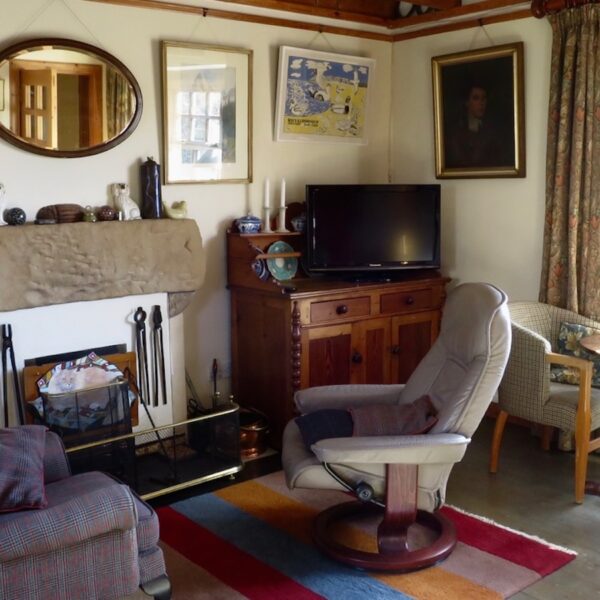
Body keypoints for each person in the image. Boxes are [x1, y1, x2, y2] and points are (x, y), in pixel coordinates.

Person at [445, 82, 513, 169]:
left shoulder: (492, 130)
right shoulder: (456, 130)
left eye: (483, 98)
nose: (481, 103)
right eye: (476, 98)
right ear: (467, 102)